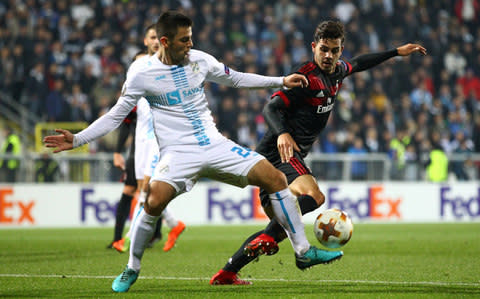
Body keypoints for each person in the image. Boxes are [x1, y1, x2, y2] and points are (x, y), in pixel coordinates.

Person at [43, 11, 338, 293]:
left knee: (274, 178)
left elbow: (235, 77)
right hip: (177, 154)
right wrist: (79, 138)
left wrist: (280, 81)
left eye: (191, 37)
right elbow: (116, 114)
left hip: (213, 144)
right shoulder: (141, 73)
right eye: (185, 39)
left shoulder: (199, 60)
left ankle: (302, 251)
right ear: (165, 41)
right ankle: (132, 267)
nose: (191, 44)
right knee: (152, 202)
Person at [210, 20, 427, 285]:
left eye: (334, 50)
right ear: (314, 47)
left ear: (340, 50)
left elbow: (359, 63)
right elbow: (271, 108)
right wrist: (283, 133)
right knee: (314, 195)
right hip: (279, 154)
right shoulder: (305, 76)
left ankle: (228, 272)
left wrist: (395, 52)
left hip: (286, 157)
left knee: (280, 227)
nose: (328, 55)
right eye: (323, 49)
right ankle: (286, 247)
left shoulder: (337, 72)